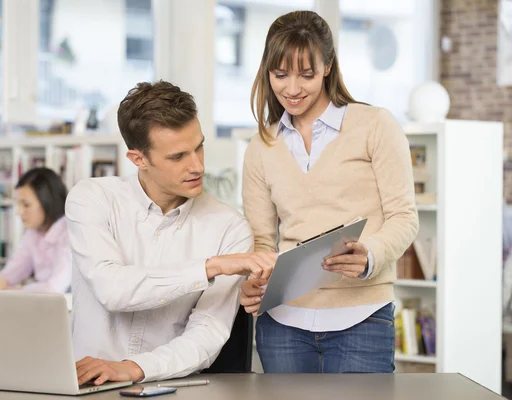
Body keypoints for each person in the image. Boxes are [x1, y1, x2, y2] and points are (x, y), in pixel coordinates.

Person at [239, 10, 419, 374]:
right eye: (280, 74)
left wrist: (369, 254)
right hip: (282, 324)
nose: (292, 88)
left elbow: (404, 217)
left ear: (328, 66)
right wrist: (254, 283)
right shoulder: (261, 147)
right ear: (266, 71)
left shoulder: (375, 126)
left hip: (362, 317)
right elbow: (262, 241)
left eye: (306, 74)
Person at [65, 80, 277, 385]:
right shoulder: (92, 199)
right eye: (178, 157)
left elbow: (207, 334)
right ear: (138, 159)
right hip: (84, 385)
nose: (197, 166)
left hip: (168, 387)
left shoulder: (228, 227)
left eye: (199, 147)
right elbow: (113, 289)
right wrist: (210, 267)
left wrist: (135, 368)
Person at [0, 167, 71, 293]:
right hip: (45, 305)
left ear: (47, 202)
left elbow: (54, 288)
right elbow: (12, 272)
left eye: (26, 205)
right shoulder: (33, 234)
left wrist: (8, 290)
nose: (19, 212)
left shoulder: (69, 233)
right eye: (18, 204)